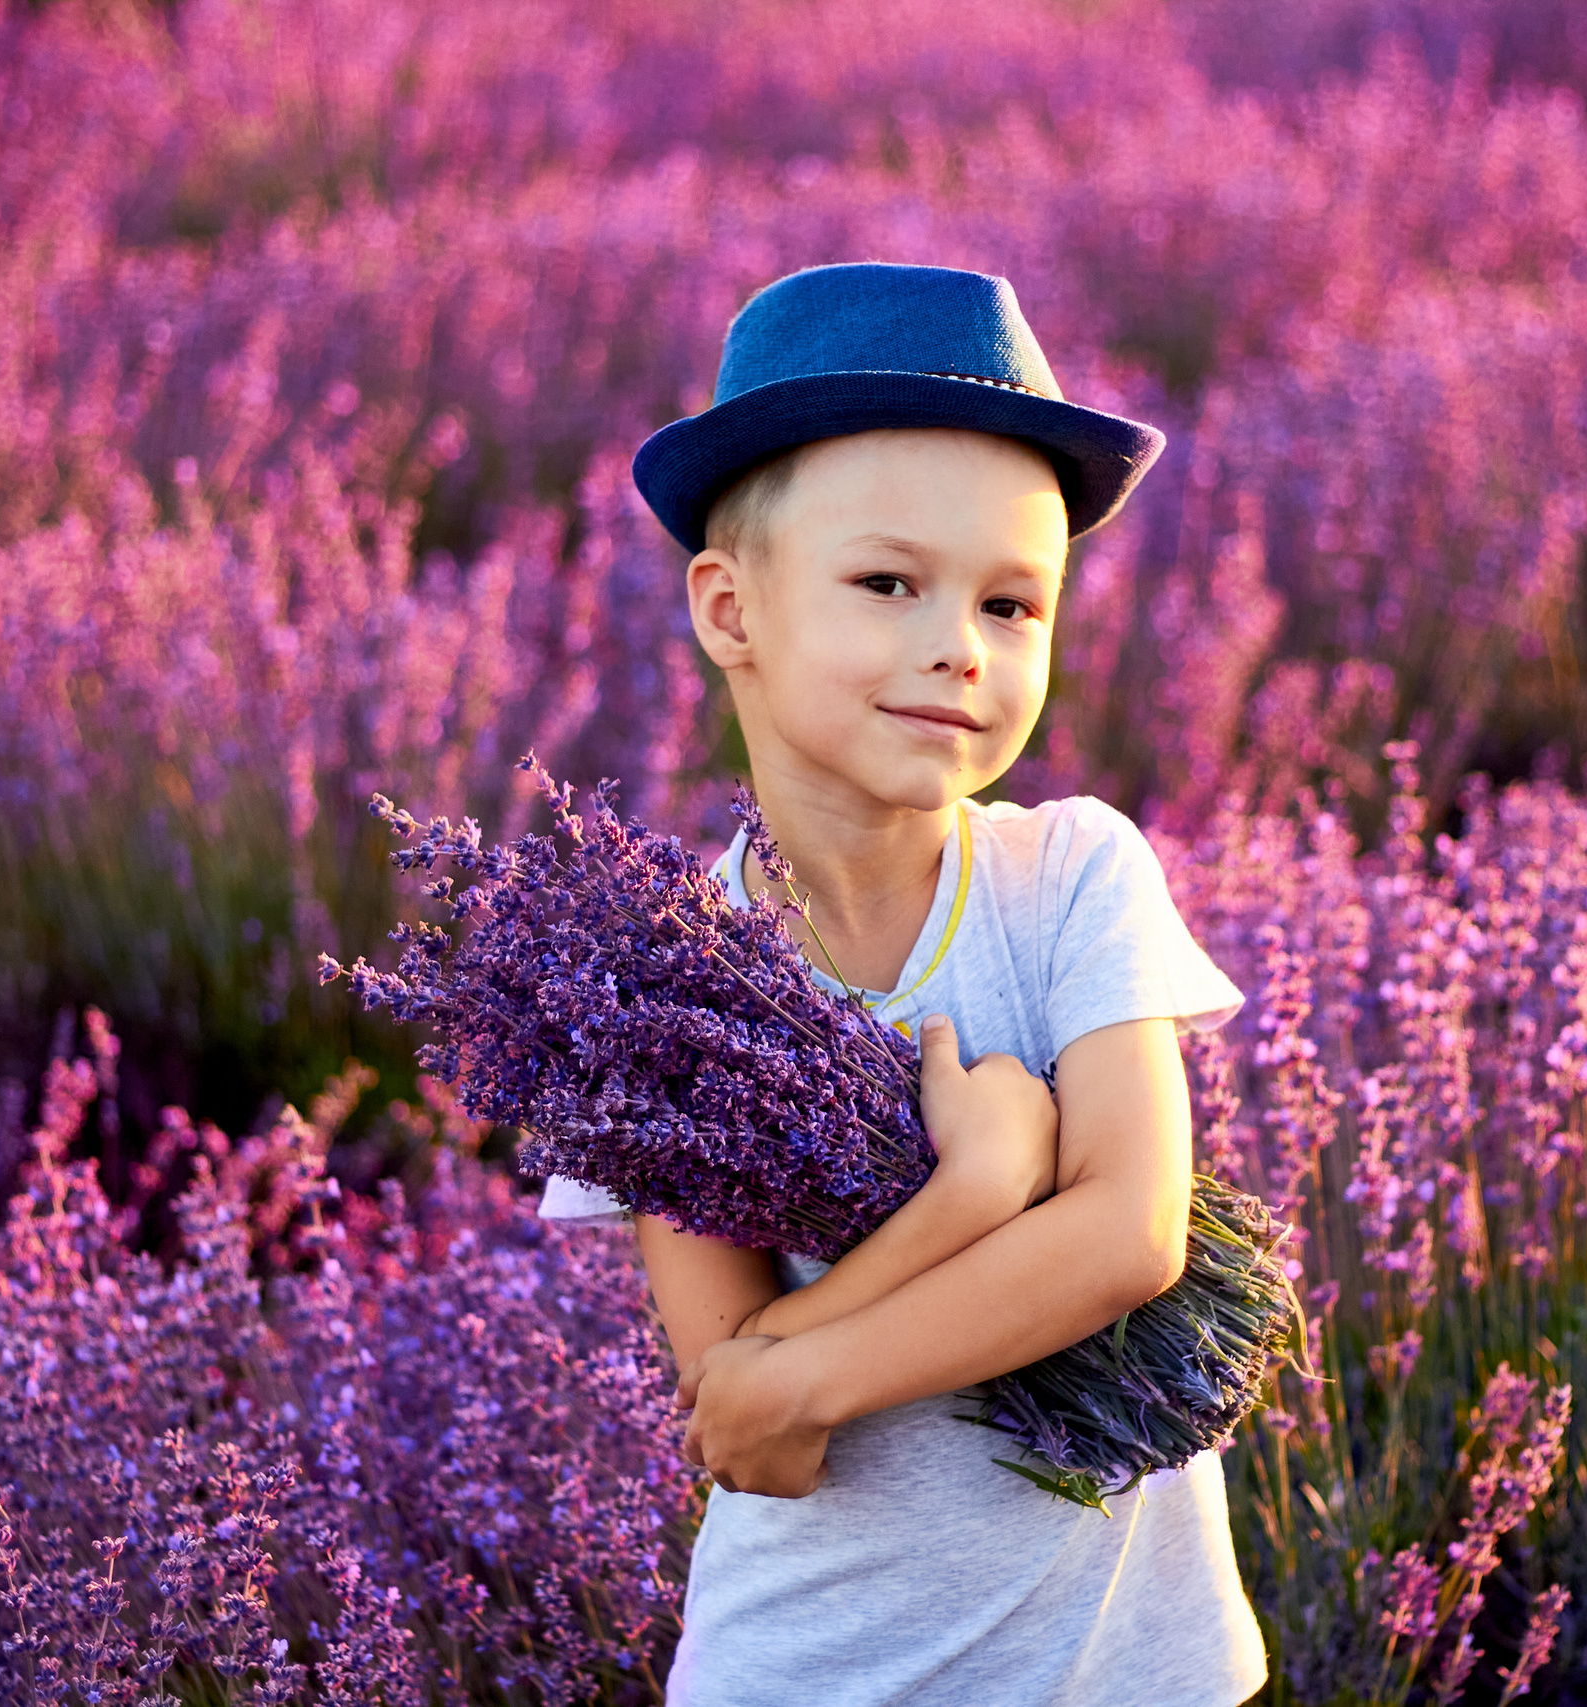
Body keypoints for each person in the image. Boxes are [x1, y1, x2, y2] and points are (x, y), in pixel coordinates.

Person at [538, 261, 1268, 1706]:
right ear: (729, 610)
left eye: (1014, 605)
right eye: (889, 583)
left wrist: (802, 1368)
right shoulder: (654, 993)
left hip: (1135, 1669)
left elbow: (1130, 1235)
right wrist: (977, 1191)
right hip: (815, 1672)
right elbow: (757, 1430)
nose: (960, 646)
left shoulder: (1068, 877)